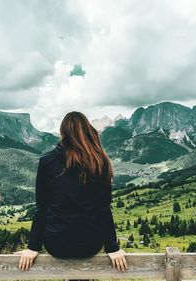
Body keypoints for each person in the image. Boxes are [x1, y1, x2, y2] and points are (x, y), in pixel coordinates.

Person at [15, 111, 128, 273]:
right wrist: (113, 248)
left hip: (57, 244)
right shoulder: (100, 161)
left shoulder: (47, 161)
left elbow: (42, 207)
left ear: (63, 133)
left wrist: (33, 247)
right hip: (90, 244)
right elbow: (104, 208)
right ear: (87, 131)